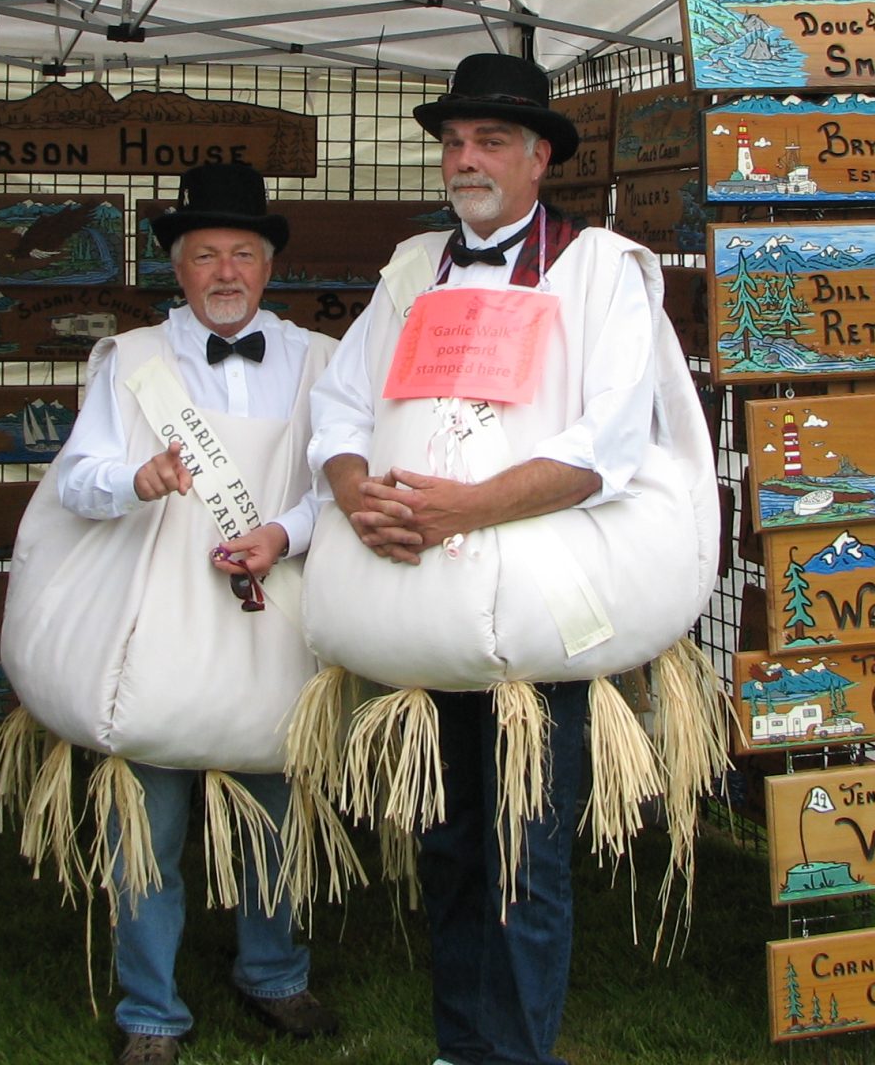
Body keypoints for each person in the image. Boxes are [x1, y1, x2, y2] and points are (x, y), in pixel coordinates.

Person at [305, 52, 713, 1065]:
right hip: (424, 611)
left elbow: (606, 449)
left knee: (523, 856)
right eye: (451, 143)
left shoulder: (602, 272)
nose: (464, 160)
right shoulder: (410, 270)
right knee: (447, 848)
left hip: (540, 619)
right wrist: (356, 489)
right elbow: (341, 405)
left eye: (488, 141)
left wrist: (466, 510)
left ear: (539, 160)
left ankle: (516, 1053)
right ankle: (460, 1046)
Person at [0, 163, 340, 1065]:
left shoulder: (322, 363)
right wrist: (133, 479)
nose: (225, 272)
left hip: (275, 608)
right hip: (156, 616)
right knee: (144, 823)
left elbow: (336, 490)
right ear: (177, 269)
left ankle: (276, 973)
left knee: (278, 803)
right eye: (204, 256)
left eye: (242, 254)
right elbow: (75, 478)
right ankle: (151, 1009)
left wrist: (285, 533)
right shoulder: (132, 363)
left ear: (268, 266)